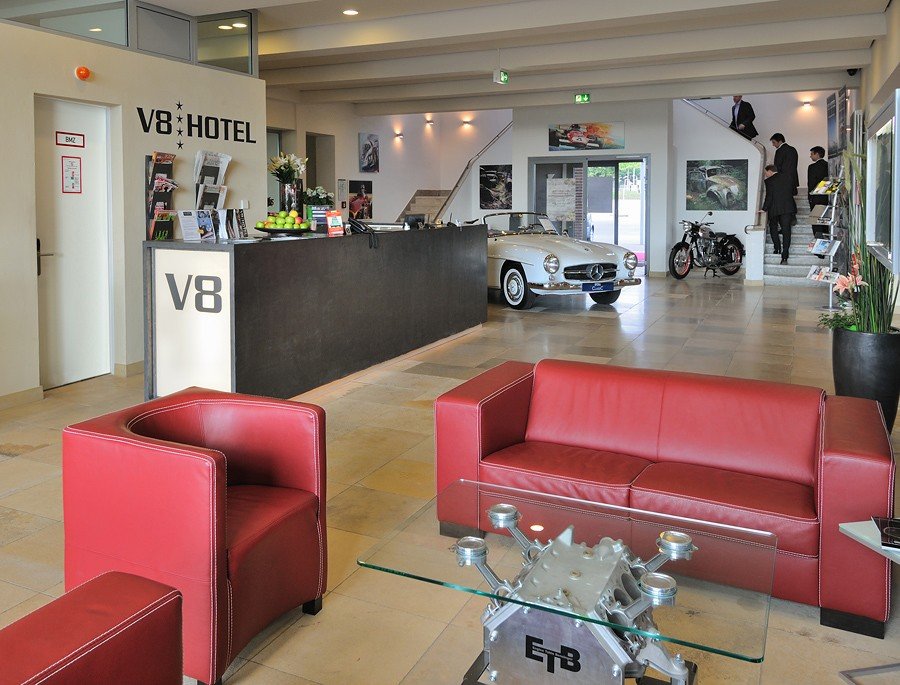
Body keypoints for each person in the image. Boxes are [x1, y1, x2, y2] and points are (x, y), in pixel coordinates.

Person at [762, 164, 796, 264]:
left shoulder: (769, 181)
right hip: (787, 208)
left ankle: (777, 248)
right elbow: (794, 191)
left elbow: (769, 196)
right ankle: (785, 255)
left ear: (770, 171)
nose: (765, 175)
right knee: (786, 231)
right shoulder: (788, 177)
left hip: (774, 209)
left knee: (773, 227)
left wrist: (764, 209)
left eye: (766, 173)